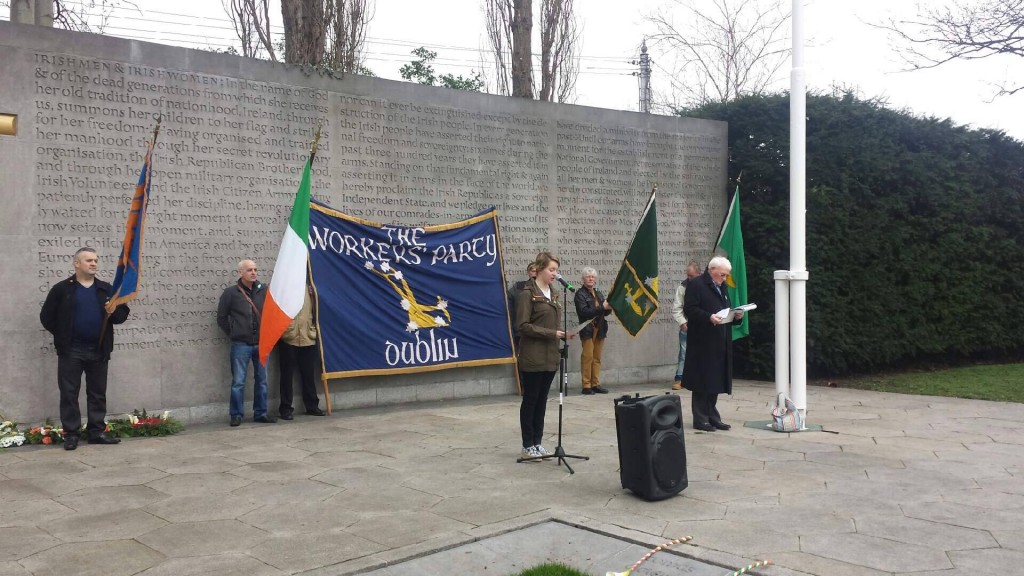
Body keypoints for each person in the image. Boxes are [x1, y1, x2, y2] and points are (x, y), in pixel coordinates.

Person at [40, 247, 130, 450]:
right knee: (69, 393)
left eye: (95, 260)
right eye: (88, 260)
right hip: (71, 351)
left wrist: (115, 309)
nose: (94, 263)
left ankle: (96, 431)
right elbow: (47, 317)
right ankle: (71, 434)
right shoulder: (63, 289)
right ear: (76, 264)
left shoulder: (106, 289)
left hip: (98, 350)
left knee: (97, 392)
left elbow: (121, 316)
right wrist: (64, 336)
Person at [515, 252, 574, 459]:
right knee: (531, 400)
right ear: (539, 269)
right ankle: (527, 444)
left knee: (542, 400)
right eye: (551, 270)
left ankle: (537, 442)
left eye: (556, 270)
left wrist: (563, 334)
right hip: (533, 355)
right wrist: (552, 333)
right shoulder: (527, 294)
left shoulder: (555, 293)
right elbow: (522, 326)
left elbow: (553, 323)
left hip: (550, 356)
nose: (555, 274)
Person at [682, 256, 744, 432]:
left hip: (720, 340)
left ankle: (712, 416)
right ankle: (700, 418)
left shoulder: (722, 287)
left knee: (715, 380)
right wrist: (708, 317)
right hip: (703, 341)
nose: (724, 279)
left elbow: (726, 310)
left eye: (726, 276)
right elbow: (690, 309)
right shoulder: (697, 285)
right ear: (712, 270)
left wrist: (736, 316)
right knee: (702, 380)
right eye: (722, 275)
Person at [217, 259, 275, 426]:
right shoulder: (231, 293)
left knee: (262, 380)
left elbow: (271, 314)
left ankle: (261, 413)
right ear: (240, 273)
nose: (254, 272)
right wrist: (234, 332)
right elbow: (221, 317)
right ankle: (236, 414)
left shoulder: (263, 290)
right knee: (238, 381)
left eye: (255, 269)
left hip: (261, 343)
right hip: (240, 344)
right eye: (249, 270)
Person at [278, 285, 325, 419]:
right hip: (289, 337)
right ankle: (286, 408)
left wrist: (314, 295)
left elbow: (319, 309)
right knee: (286, 376)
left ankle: (312, 406)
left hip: (307, 337)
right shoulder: (283, 287)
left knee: (308, 375)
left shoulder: (310, 288)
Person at [574, 267, 612, 395]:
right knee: (587, 357)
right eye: (588, 276)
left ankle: (595, 384)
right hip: (588, 330)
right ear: (583, 279)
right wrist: (603, 307)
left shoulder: (599, 293)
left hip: (600, 329)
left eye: (593, 277)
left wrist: (609, 307)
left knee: (597, 358)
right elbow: (584, 312)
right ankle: (586, 385)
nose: (591, 279)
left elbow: (604, 313)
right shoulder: (580, 294)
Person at [671, 262, 702, 391]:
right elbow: (677, 307)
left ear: (699, 274)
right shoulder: (683, 287)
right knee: (684, 353)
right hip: (688, 325)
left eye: (692, 276)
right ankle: (680, 378)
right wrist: (682, 322)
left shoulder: (705, 287)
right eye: (688, 275)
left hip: (702, 325)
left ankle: (700, 378)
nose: (689, 278)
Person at [507, 262, 538, 353]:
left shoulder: (545, 288)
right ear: (529, 272)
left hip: (537, 330)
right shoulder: (519, 287)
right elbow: (509, 300)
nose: (535, 273)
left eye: (537, 271)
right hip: (521, 329)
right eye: (533, 271)